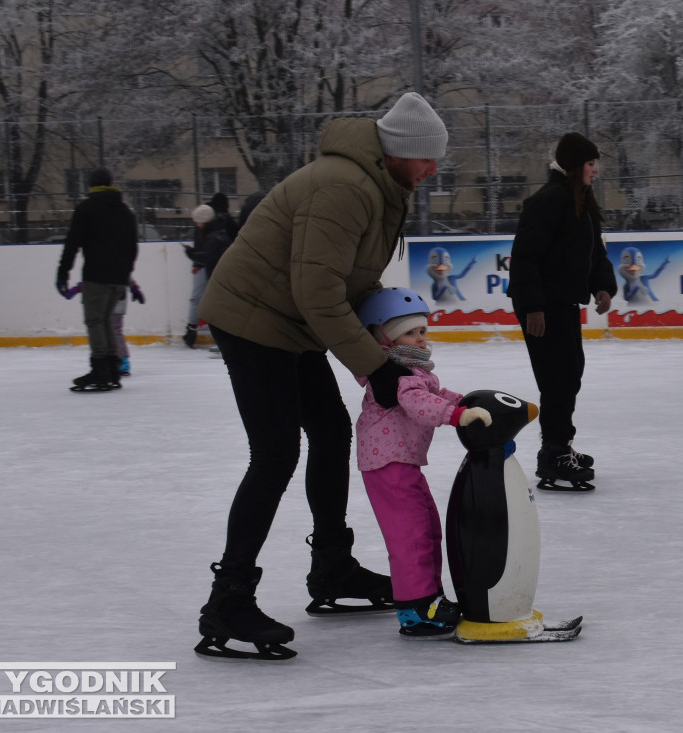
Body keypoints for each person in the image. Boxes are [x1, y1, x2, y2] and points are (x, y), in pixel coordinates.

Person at [193, 91, 449, 661]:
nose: (434, 170)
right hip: (253, 319)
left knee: (331, 434)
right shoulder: (345, 186)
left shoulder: (383, 188)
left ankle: (332, 566)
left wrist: (392, 340)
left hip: (292, 323)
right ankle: (228, 598)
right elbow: (318, 291)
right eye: (428, 158)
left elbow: (347, 284)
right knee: (276, 452)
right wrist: (375, 367)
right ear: (402, 152)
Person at [354, 287, 491, 639]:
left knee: (427, 529)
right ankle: (415, 608)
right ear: (383, 336)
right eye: (410, 332)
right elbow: (421, 405)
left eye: (423, 330)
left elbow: (434, 393)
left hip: (402, 462)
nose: (420, 338)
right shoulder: (395, 372)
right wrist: (458, 415)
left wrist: (470, 401)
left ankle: (429, 598)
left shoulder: (412, 368)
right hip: (389, 464)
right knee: (410, 536)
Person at [506, 132, 617, 491]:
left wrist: (602, 286)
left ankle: (560, 445)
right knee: (556, 380)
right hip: (543, 308)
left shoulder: (581, 202)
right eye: (590, 164)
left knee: (570, 375)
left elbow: (595, 254)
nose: (595, 171)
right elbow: (525, 257)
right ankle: (554, 453)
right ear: (574, 166)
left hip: (564, 304)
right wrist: (533, 307)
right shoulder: (548, 202)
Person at [56, 167, 138, 392]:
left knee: (95, 321)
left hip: (96, 276)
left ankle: (101, 369)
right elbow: (132, 247)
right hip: (118, 278)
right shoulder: (125, 211)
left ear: (91, 186)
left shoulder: (86, 209)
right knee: (106, 322)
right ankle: (112, 368)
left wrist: (63, 272)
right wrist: (125, 273)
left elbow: (72, 244)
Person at [182, 204, 215, 348]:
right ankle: (191, 329)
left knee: (201, 298)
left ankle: (192, 329)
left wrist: (194, 259)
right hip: (203, 265)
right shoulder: (202, 230)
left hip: (208, 266)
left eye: (198, 221)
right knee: (197, 298)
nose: (197, 224)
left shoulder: (216, 234)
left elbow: (209, 253)